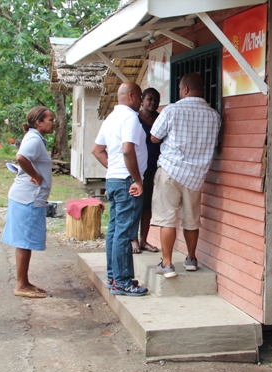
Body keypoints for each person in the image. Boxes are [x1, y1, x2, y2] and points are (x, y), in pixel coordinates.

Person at [151, 73, 221, 278]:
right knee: (192, 220)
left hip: (171, 171)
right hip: (196, 176)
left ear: (185, 90)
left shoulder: (172, 110)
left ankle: (167, 264)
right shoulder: (214, 116)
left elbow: (154, 137)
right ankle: (191, 259)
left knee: (167, 219)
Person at [92, 82, 149, 297]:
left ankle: (113, 276)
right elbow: (128, 150)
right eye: (141, 96)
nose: (142, 101)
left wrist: (113, 168)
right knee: (125, 233)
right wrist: (137, 180)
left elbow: (97, 150)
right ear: (133, 96)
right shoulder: (129, 118)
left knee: (115, 230)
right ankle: (123, 282)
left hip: (114, 179)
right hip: (127, 182)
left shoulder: (111, 118)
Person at [1, 106, 55, 299]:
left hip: (28, 197)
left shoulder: (35, 138)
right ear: (38, 122)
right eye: (50, 119)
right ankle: (21, 284)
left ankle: (24, 281)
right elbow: (21, 157)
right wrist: (36, 176)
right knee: (24, 241)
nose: (53, 122)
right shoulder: (33, 139)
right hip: (27, 198)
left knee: (25, 241)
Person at [131, 87, 161, 254]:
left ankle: (144, 240)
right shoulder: (135, 119)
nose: (153, 102)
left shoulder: (160, 118)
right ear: (142, 100)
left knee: (148, 205)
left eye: (156, 99)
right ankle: (133, 239)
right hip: (138, 167)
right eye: (149, 99)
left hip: (155, 167)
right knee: (136, 204)